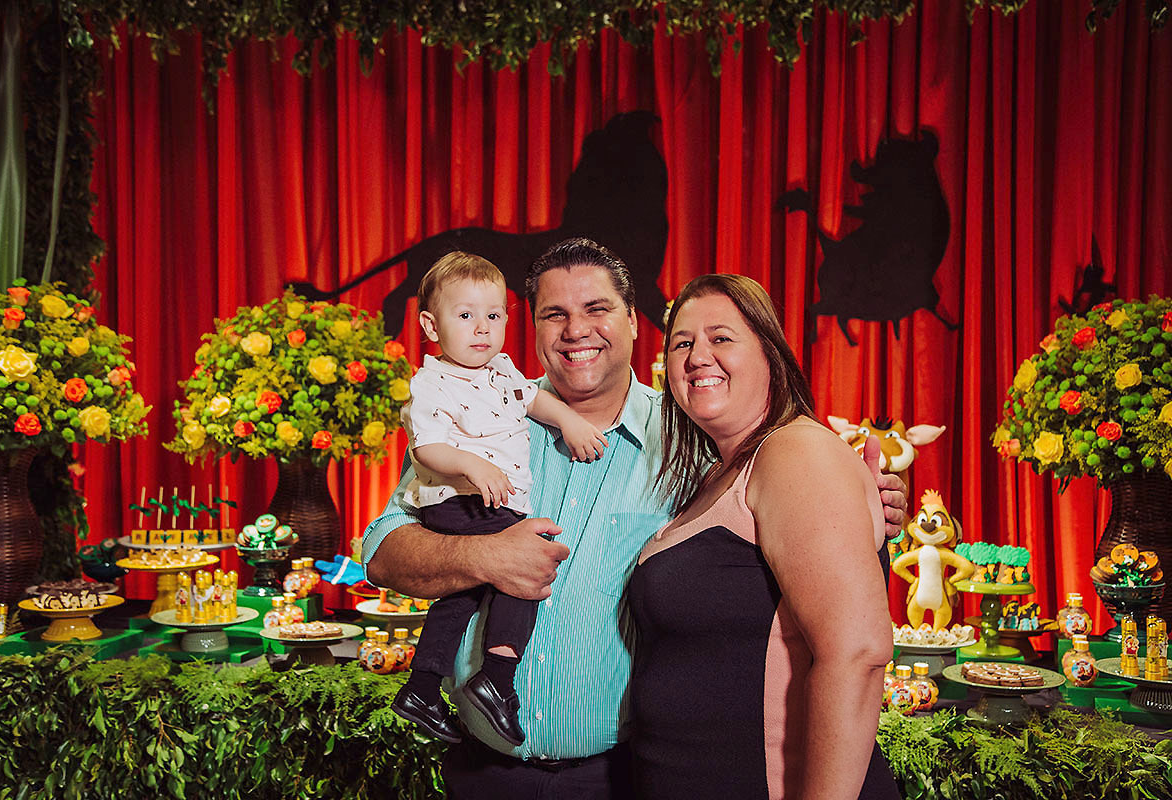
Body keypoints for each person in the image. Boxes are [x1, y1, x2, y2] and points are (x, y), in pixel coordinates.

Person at [363, 238, 907, 799]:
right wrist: (485, 557)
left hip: (621, 777)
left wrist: (864, 500)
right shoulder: (478, 418)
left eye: (596, 309)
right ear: (533, 327)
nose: (576, 330)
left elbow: (793, 523)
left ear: (631, 321)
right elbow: (381, 550)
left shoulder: (693, 436)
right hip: (484, 773)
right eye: (555, 314)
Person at [629, 273, 899, 799]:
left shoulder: (796, 452)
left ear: (770, 355)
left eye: (721, 338)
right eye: (682, 343)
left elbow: (858, 653)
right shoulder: (718, 471)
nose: (697, 356)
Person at [389, 252, 608, 747]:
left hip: (492, 502)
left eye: (493, 315)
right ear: (431, 326)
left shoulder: (501, 372)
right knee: (525, 569)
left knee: (461, 595)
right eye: (465, 315)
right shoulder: (432, 383)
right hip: (460, 499)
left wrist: (569, 421)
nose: (482, 328)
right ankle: (497, 677)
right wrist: (471, 464)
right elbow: (426, 447)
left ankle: (421, 689)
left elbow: (534, 398)